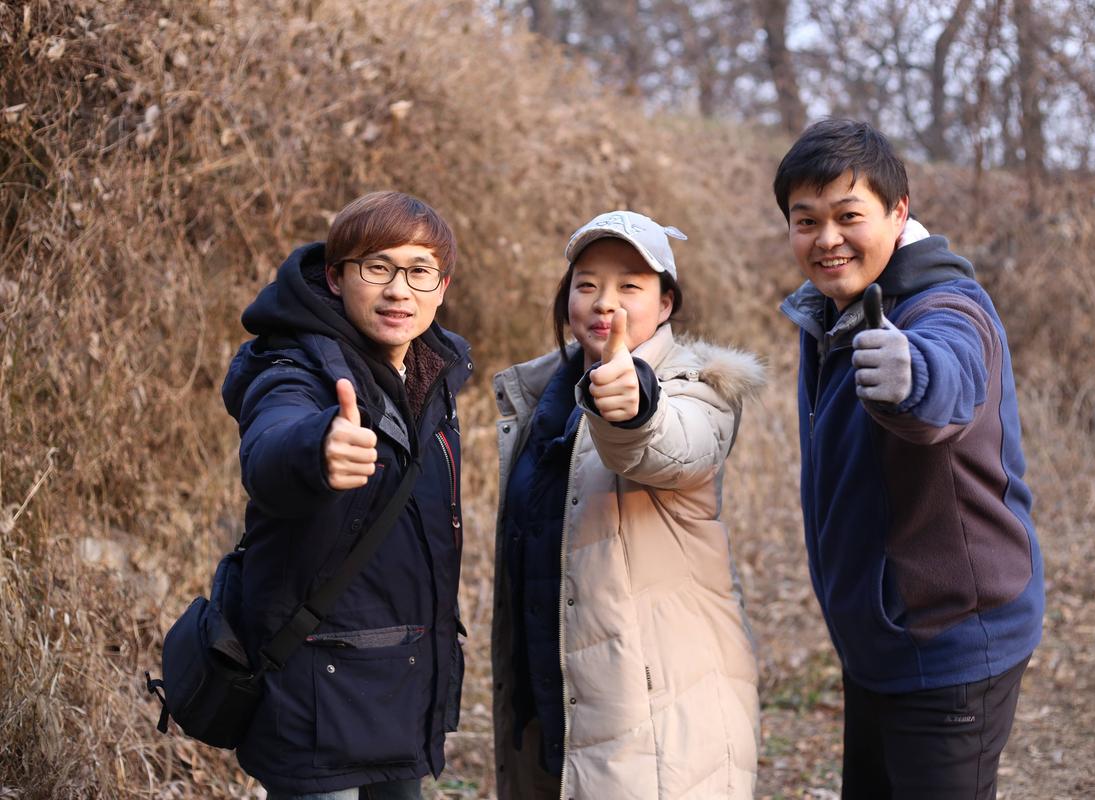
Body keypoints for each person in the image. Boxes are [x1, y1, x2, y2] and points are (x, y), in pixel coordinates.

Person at [775, 118, 1044, 799]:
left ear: (898, 212)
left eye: (848, 216)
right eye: (806, 221)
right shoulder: (831, 309)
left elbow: (947, 375)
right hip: (881, 642)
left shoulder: (947, 307)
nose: (826, 238)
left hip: (949, 647)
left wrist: (912, 377)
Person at [490, 211, 763, 799]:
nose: (603, 302)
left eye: (629, 286)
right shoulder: (543, 398)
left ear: (665, 304)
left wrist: (633, 410)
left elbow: (666, 445)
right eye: (587, 284)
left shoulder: (698, 390)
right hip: (555, 704)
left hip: (657, 717)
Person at [220, 191, 473, 799]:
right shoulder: (296, 365)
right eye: (377, 267)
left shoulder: (431, 374)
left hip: (403, 682)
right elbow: (271, 445)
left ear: (441, 287)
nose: (398, 290)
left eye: (419, 271)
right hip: (314, 689)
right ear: (336, 278)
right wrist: (317, 448)